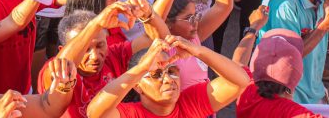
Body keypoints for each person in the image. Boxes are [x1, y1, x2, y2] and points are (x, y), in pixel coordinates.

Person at [86, 36, 251, 118]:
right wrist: (142, 68)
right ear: (137, 86)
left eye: (172, 71)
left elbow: (239, 82)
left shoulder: (188, 104)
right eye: (156, 74)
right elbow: (95, 113)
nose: (168, 79)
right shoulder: (131, 113)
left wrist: (198, 51)